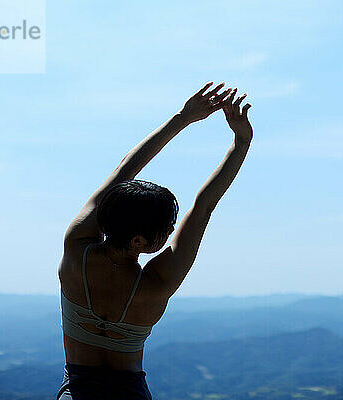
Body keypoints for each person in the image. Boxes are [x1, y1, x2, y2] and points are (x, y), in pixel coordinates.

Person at [56, 81, 253, 399]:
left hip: (76, 392)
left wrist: (183, 117)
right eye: (168, 228)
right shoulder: (157, 283)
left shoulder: (76, 246)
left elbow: (125, 170)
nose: (171, 231)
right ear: (138, 240)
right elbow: (203, 207)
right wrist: (242, 141)